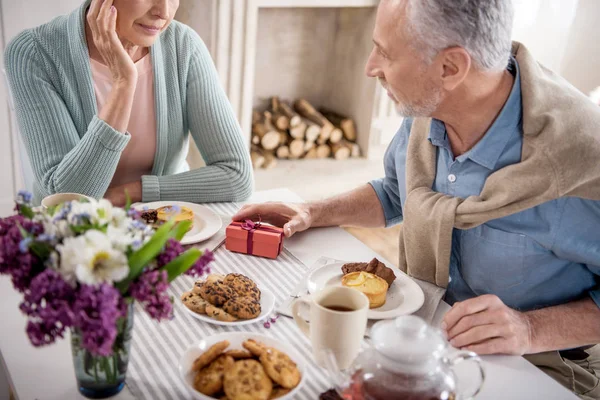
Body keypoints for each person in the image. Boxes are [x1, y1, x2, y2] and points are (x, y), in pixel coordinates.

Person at [233, 0, 600, 398]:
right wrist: (312, 210)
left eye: (385, 53)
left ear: (450, 67)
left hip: (536, 366)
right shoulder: (432, 105)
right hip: (425, 332)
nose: (370, 67)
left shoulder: (581, 161)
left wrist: (530, 329)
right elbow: (396, 191)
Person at [5, 0, 253, 206]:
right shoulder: (34, 53)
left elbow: (236, 176)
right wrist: (124, 83)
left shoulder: (183, 46)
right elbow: (67, 202)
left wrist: (130, 193)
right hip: (72, 242)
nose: (163, 12)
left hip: (164, 229)